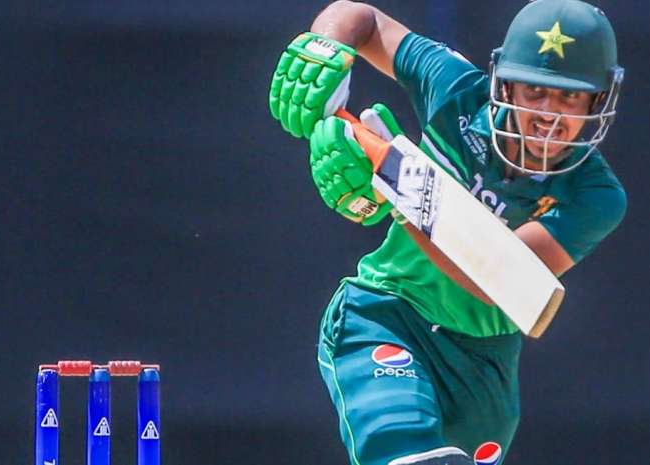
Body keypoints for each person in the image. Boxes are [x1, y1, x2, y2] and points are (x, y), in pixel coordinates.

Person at [268, 0, 626, 464]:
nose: (549, 115)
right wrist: (325, 50)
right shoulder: (455, 89)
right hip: (386, 314)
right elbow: (361, 18)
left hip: (484, 364)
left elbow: (501, 278)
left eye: (570, 97)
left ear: (598, 100)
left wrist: (399, 180)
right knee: (406, 449)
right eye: (535, 91)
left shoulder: (595, 195)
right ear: (505, 84)